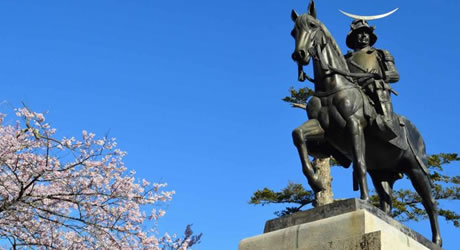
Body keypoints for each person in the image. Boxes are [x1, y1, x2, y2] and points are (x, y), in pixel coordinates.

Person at [344, 19, 400, 138]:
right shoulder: (345, 59)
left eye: (367, 33)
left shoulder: (380, 54)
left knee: (378, 85)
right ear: (353, 37)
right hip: (352, 93)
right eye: (360, 33)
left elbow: (395, 76)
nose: (364, 35)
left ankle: (386, 121)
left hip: (373, 89)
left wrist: (382, 75)